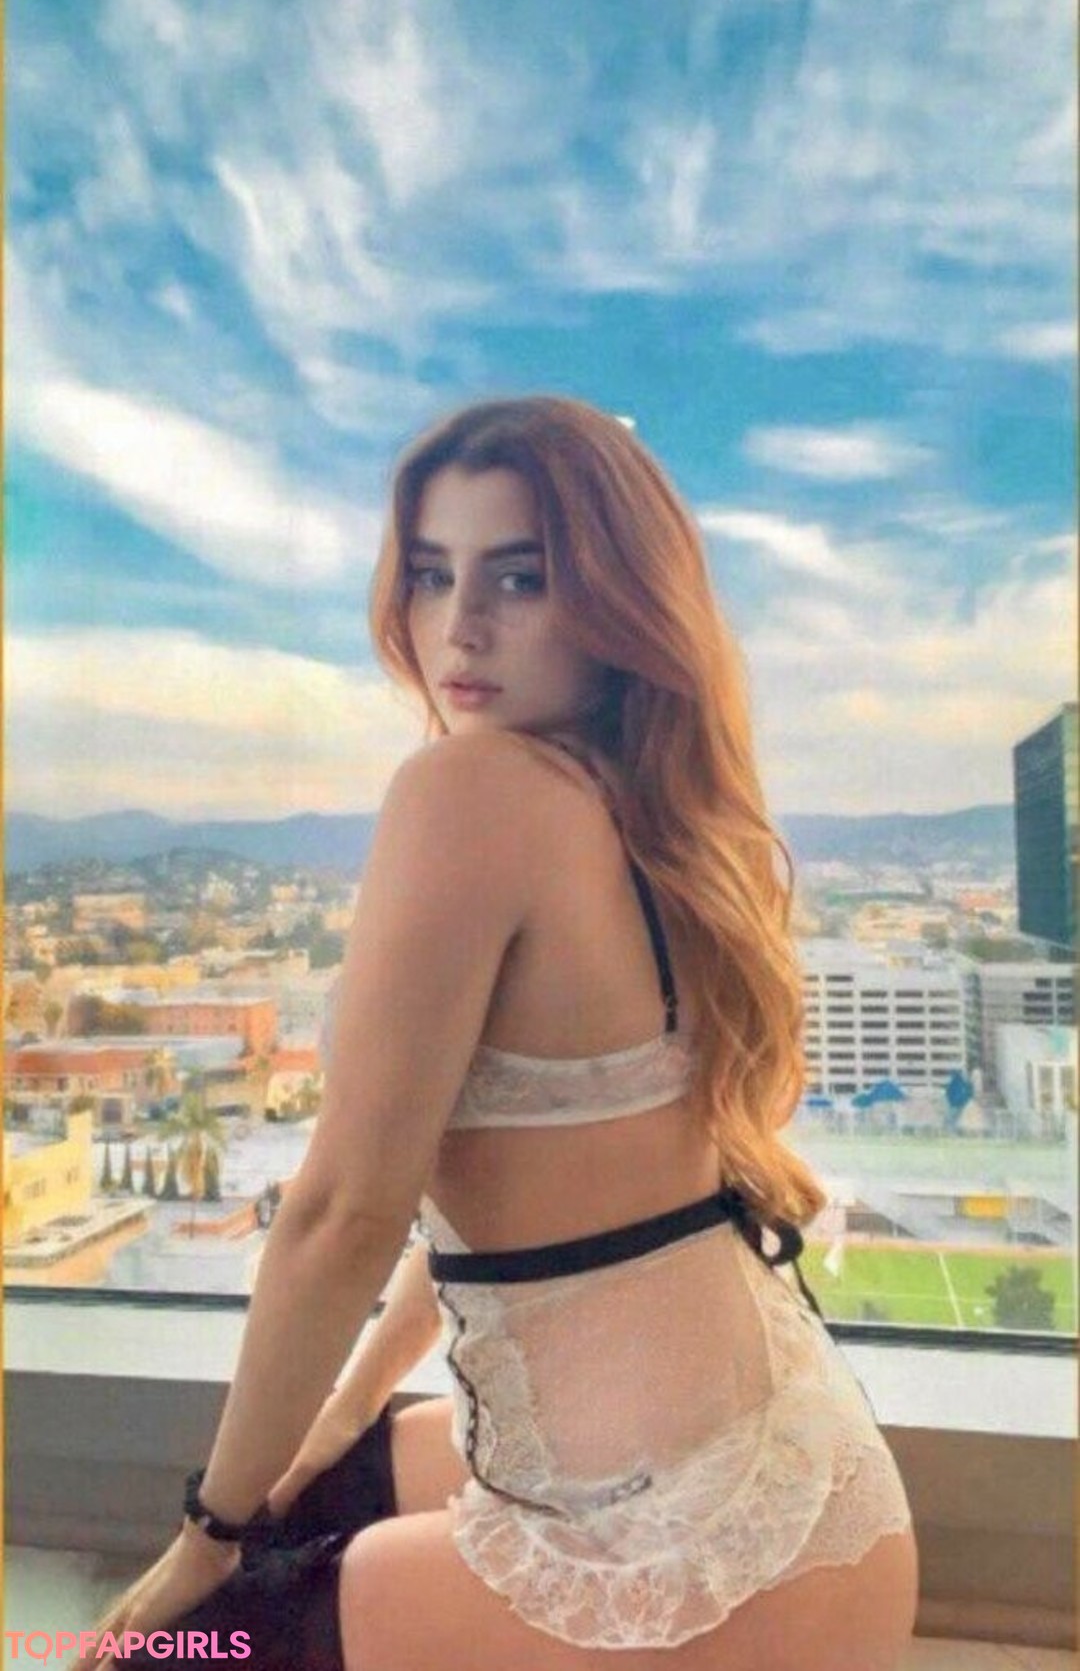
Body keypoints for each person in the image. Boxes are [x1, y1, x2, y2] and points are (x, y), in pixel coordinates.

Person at [77, 396, 918, 1671]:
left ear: (617, 598)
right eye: (431, 574)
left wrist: (204, 1538)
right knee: (325, 1486)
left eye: (519, 577)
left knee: (179, 1651)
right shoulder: (666, 816)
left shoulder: (468, 790)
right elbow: (518, 1193)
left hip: (683, 1569)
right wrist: (341, 1420)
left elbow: (343, 1213)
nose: (458, 626)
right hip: (814, 1504)